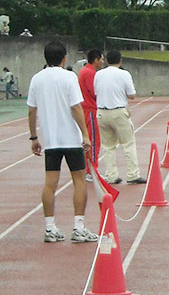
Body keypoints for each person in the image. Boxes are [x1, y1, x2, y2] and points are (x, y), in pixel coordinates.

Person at [26, 40, 97, 243]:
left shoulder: (37, 79)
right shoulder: (69, 77)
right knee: (79, 180)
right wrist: (85, 134)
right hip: (72, 139)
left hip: (51, 140)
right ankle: (79, 226)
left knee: (50, 183)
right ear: (64, 58)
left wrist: (34, 137)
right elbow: (76, 107)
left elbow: (31, 110)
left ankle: (49, 227)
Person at [94, 49, 144, 185]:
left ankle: (111, 175)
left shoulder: (98, 75)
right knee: (128, 144)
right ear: (120, 61)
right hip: (118, 111)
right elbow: (131, 95)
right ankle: (133, 174)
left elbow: (95, 91)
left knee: (108, 146)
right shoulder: (124, 74)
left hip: (102, 112)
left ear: (107, 60)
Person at [77, 49, 104, 182]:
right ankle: (91, 170)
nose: (103, 62)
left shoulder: (84, 71)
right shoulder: (90, 73)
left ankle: (88, 168)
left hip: (85, 109)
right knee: (93, 141)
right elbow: (94, 92)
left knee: (88, 140)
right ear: (96, 60)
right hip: (90, 110)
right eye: (101, 59)